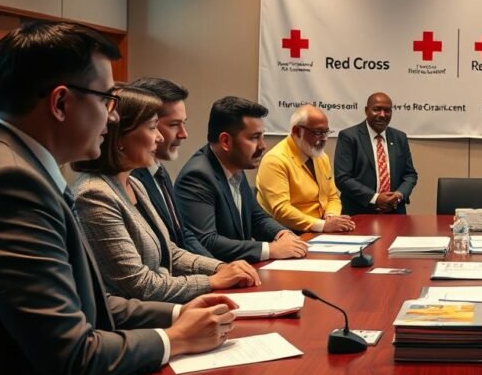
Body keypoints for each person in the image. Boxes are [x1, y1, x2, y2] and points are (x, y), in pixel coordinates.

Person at [0, 21, 236, 375]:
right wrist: (174, 339)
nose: (113, 117)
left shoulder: (13, 165)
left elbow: (85, 302)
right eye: (107, 99)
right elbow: (72, 356)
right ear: (60, 103)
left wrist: (178, 313)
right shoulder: (11, 184)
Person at [71, 86, 260, 303]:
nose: (159, 138)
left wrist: (220, 267)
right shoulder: (95, 194)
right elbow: (138, 285)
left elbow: (169, 250)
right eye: (152, 128)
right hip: (137, 323)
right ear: (119, 136)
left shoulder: (134, 184)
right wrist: (211, 282)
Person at [175, 96, 309, 263]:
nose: (262, 145)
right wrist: (269, 249)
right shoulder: (197, 176)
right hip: (219, 275)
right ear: (225, 141)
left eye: (262, 136)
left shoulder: (234, 165)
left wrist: (282, 234)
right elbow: (206, 241)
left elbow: (256, 217)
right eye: (254, 137)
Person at [128, 77, 212, 257]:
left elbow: (181, 234)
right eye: (174, 124)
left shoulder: (159, 171)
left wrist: (221, 267)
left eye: (184, 123)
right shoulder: (130, 178)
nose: (184, 134)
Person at [255, 105, 355, 233]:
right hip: (287, 232)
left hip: (320, 229)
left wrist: (331, 216)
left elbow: (332, 196)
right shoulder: (275, 160)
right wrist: (322, 225)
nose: (324, 138)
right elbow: (281, 210)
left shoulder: (321, 157)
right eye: (318, 133)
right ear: (296, 131)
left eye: (326, 132)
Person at [334, 92, 418, 215]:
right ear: (366, 110)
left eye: (387, 110)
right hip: (359, 213)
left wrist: (399, 195)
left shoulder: (400, 137)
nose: (382, 115)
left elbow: (410, 174)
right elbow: (343, 178)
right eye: (377, 109)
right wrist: (375, 198)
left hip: (395, 212)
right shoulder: (349, 137)